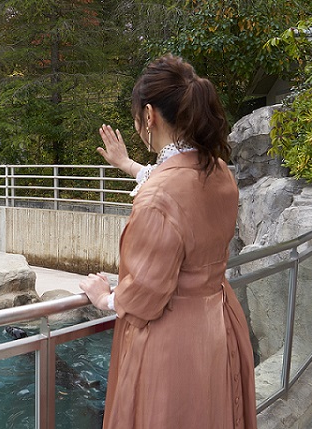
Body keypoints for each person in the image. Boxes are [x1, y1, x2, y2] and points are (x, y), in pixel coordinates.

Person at [79, 54, 257, 429]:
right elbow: (178, 188)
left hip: (174, 342)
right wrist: (128, 165)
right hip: (219, 324)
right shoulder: (219, 171)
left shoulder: (159, 195)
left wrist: (105, 297)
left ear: (149, 116)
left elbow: (145, 294)